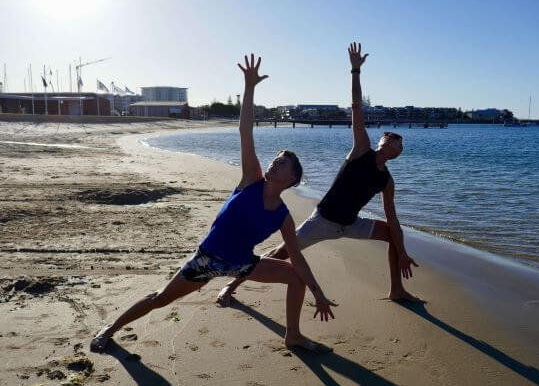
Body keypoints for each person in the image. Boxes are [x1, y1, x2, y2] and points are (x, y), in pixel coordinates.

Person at [90, 54, 336, 354]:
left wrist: (318, 293)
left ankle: (293, 335)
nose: (275, 163)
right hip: (207, 259)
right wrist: (249, 87)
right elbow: (246, 131)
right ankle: (110, 329)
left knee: (296, 277)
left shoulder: (283, 216)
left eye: (283, 163)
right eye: (276, 159)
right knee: (160, 299)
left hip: (240, 262)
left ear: (292, 178)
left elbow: (297, 257)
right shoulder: (251, 178)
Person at [218, 43, 421, 307]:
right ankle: (230, 286)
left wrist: (403, 252)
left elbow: (392, 219)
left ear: (398, 152)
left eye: (396, 139)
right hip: (323, 220)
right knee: (281, 253)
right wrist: (356, 71)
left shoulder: (386, 180)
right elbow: (357, 107)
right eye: (386, 135)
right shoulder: (361, 149)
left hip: (351, 224)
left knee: (393, 234)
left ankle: (397, 290)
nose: (388, 137)